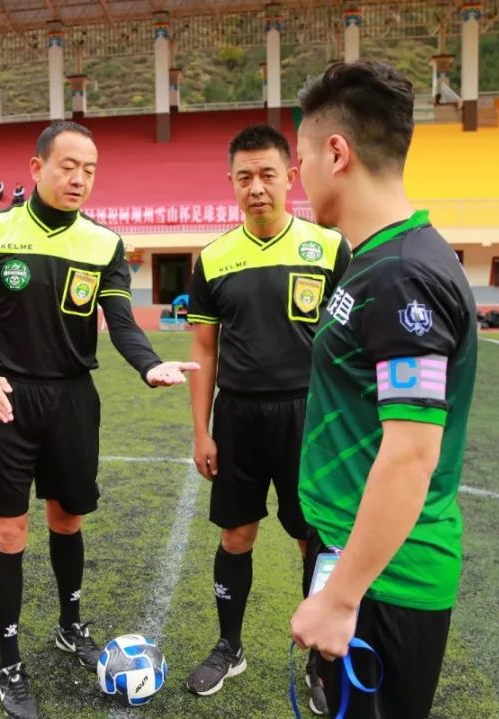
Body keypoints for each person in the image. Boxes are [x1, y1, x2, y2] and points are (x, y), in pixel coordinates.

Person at [0, 120, 198, 719]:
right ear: (36, 168)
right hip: (7, 399)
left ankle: (69, 625)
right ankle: (9, 660)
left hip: (73, 401)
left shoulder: (104, 245)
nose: (79, 178)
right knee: (10, 534)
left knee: (67, 519)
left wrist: (150, 365)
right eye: (68, 165)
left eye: (90, 169)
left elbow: (123, 322)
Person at [290, 61, 478, 719]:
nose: (298, 175)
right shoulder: (376, 260)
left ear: (336, 153)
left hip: (384, 580)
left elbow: (411, 453)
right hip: (355, 555)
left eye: (302, 157)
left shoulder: (402, 277)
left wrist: (342, 597)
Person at [183, 125, 350, 713]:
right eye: (245, 177)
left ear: (290, 176)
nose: (257, 187)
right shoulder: (212, 258)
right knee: (237, 534)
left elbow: (347, 344)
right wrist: (202, 430)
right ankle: (229, 646)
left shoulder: (330, 248)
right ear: (231, 182)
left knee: (313, 537)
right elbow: (204, 350)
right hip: (238, 414)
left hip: (309, 415)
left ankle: (320, 661)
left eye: (268, 174)